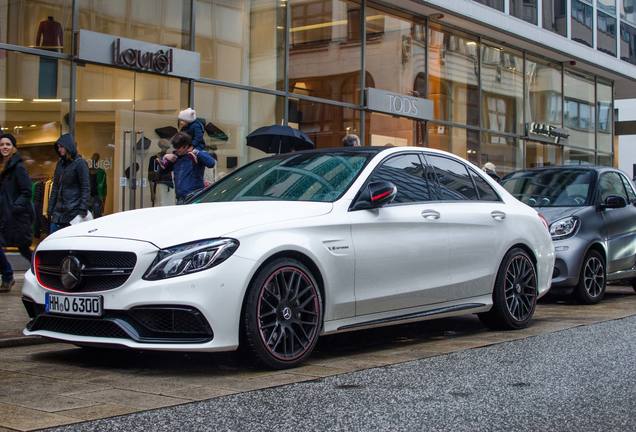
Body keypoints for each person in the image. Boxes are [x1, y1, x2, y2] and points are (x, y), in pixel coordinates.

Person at [0, 133, 33, 292]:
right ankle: (7, 276)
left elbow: (27, 191)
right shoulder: (4, 166)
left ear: (14, 147)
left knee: (24, 249)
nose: (4, 147)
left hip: (16, 217)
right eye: (2, 145)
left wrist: (14, 207)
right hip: (5, 216)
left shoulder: (18, 167)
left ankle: (44, 273)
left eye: (7, 144)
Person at [48, 133, 90, 233]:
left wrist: (82, 209)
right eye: (58, 147)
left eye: (61, 147)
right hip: (58, 213)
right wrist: (50, 209)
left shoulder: (80, 163)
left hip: (74, 214)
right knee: (53, 243)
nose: (59, 149)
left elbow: (85, 187)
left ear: (68, 146)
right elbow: (55, 187)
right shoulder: (60, 164)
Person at [159, 132, 215, 205]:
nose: (176, 150)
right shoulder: (175, 157)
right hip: (180, 199)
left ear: (185, 146)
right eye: (175, 147)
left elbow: (211, 163)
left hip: (195, 197)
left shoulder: (196, 154)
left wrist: (196, 152)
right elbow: (162, 173)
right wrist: (165, 158)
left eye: (178, 147)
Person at [148, 139, 175, 207]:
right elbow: (150, 178)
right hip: (158, 186)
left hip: (170, 187)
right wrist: (152, 193)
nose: (164, 149)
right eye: (163, 147)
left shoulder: (170, 158)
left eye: (166, 147)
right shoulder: (153, 159)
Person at [88, 153, 107, 218]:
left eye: (95, 158)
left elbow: (104, 188)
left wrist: (103, 202)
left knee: (97, 217)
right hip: (88, 197)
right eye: (93, 158)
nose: (94, 159)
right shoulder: (87, 171)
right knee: (87, 217)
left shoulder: (101, 172)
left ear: (98, 160)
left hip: (97, 198)